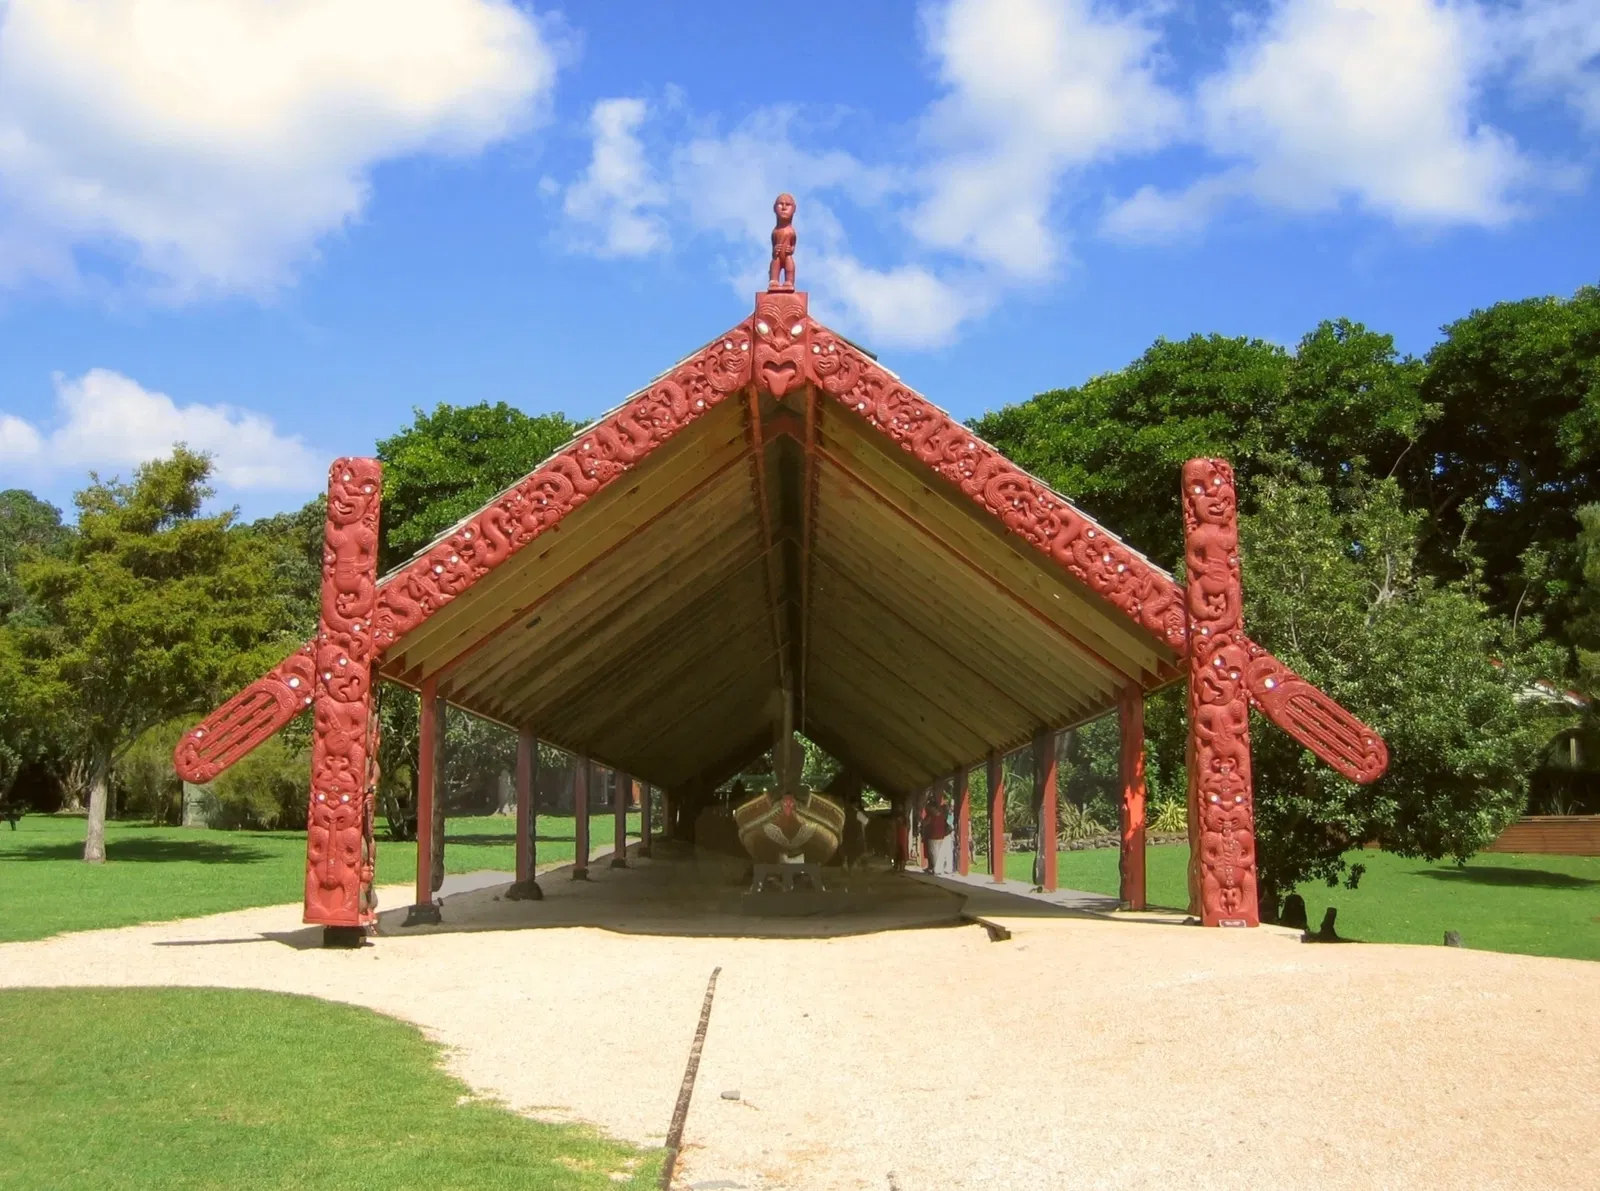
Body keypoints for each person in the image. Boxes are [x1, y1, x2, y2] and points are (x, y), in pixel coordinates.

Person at [923, 795, 954, 875]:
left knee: (934, 854)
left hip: (933, 836)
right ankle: (939, 869)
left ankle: (937, 869)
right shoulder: (942, 815)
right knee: (940, 854)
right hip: (941, 836)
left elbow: (925, 824)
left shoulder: (931, 816)